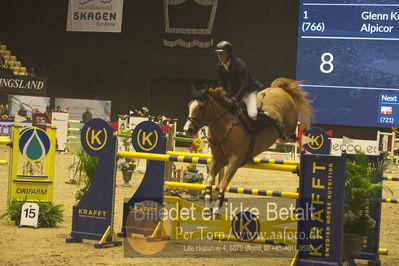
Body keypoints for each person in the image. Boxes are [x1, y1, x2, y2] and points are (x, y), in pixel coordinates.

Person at [214, 41, 263, 120]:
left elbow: (245, 84)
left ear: (228, 53)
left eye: (222, 54)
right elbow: (222, 84)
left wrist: (235, 98)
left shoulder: (240, 64)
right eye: (218, 54)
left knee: (252, 115)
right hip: (235, 93)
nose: (219, 56)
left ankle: (267, 118)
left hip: (248, 92)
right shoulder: (219, 66)